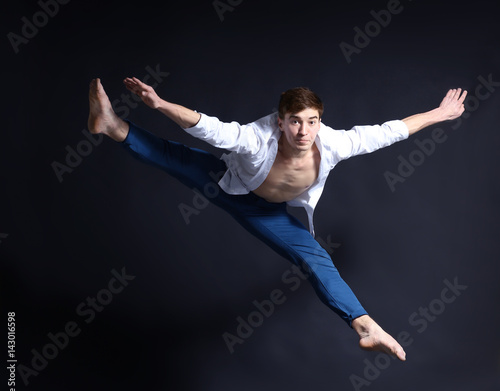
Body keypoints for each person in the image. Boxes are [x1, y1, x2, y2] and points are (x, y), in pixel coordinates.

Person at [88, 77, 466, 361]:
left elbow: (390, 132)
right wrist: (159, 104)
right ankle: (110, 124)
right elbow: (210, 128)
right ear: (281, 121)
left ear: (321, 121)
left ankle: (366, 326)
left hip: (265, 212)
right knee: (175, 156)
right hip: (227, 184)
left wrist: (440, 113)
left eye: (312, 121)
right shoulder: (257, 137)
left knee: (316, 258)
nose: (304, 131)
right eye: (296, 122)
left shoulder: (334, 143)